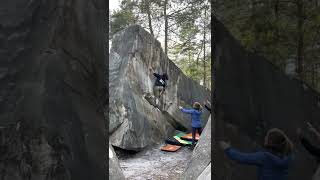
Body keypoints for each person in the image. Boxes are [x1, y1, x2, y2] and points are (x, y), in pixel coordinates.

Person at [219, 128, 294, 180]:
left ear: (271, 141)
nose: (265, 138)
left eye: (267, 137)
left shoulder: (264, 157)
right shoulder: (287, 158)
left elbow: (242, 158)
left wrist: (227, 149)